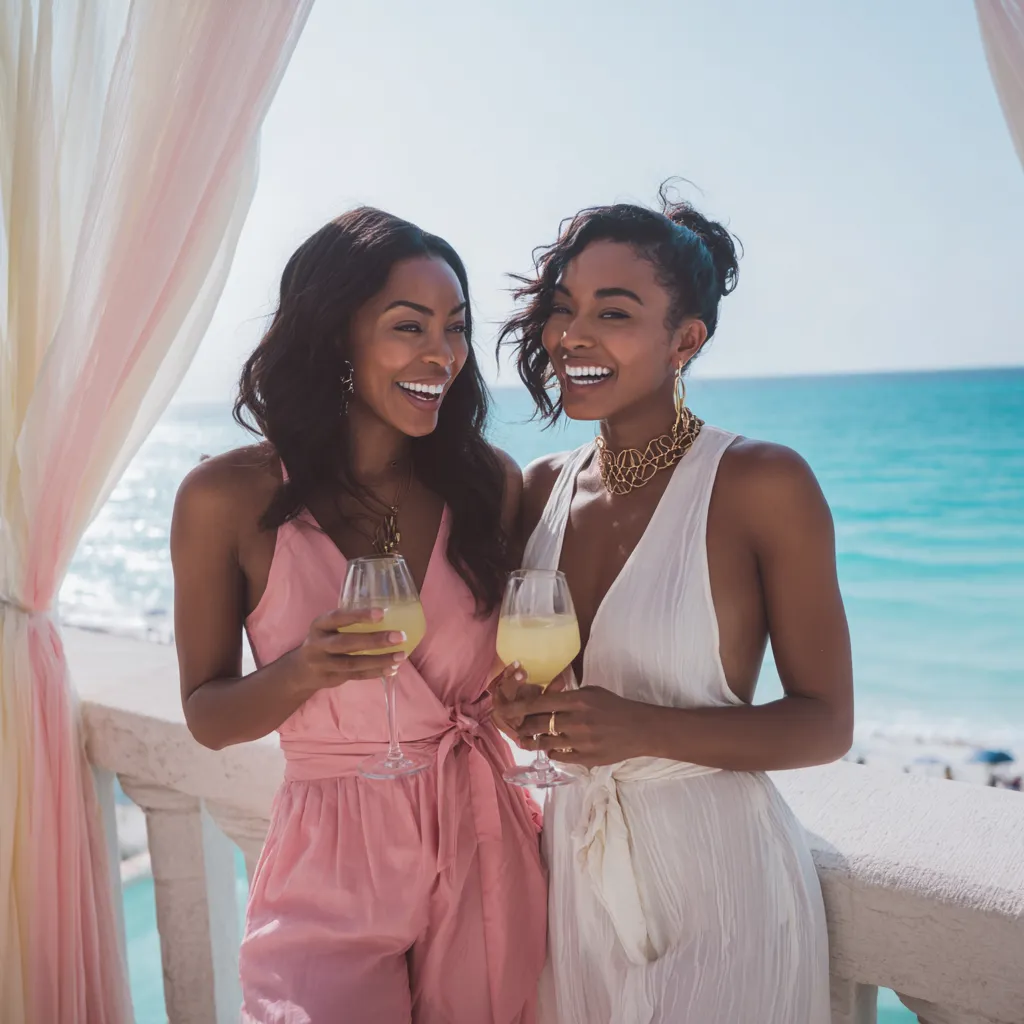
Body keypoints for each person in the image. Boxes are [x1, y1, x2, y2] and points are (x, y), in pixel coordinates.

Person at [171, 208, 546, 1024]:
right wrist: (306, 669)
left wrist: (523, 709)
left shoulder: (490, 485)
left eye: (455, 328)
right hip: (330, 867)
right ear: (336, 334)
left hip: (484, 847)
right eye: (407, 326)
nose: (441, 355)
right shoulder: (225, 498)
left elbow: (519, 682)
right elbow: (208, 715)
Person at [493, 188, 853, 1024]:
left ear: (684, 339)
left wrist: (642, 729)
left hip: (718, 881)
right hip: (574, 874)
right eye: (562, 309)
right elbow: (542, 693)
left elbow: (825, 722)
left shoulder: (763, 483)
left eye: (612, 313)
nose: (571, 336)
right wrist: (519, 712)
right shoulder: (540, 489)